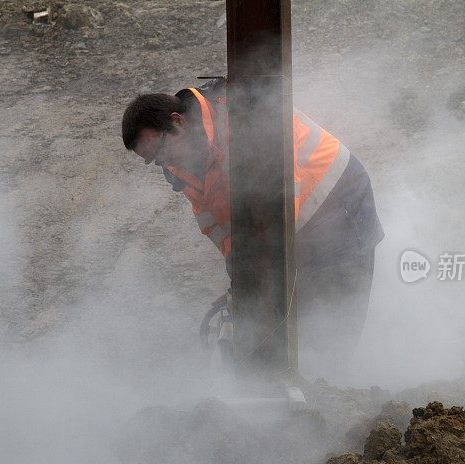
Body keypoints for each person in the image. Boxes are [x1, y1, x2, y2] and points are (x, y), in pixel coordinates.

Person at [121, 79, 383, 364]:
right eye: (152, 161)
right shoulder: (180, 167)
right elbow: (218, 225)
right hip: (290, 227)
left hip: (339, 208)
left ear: (178, 122)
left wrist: (256, 280)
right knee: (288, 328)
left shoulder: (241, 115)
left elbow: (278, 200)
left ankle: (330, 387)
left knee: (329, 333)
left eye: (160, 152)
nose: (162, 163)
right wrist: (240, 275)